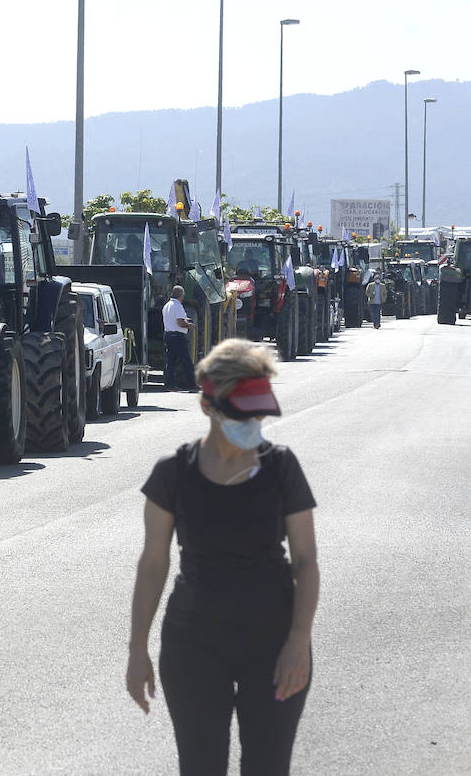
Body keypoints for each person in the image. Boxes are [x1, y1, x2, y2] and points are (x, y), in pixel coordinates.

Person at [126, 339, 319, 776]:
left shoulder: (282, 468)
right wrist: (138, 650)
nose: (253, 422)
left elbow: (306, 561)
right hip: (193, 644)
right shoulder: (172, 474)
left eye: (259, 412)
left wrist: (298, 642)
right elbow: (152, 564)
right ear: (207, 406)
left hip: (274, 643)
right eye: (241, 413)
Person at [161, 285, 196, 391]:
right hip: (177, 336)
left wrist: (185, 320)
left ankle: (169, 385)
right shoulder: (178, 306)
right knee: (186, 361)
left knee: (170, 362)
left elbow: (174, 319)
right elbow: (180, 323)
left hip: (168, 334)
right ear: (181, 295)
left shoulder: (167, 305)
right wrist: (189, 325)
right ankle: (191, 384)